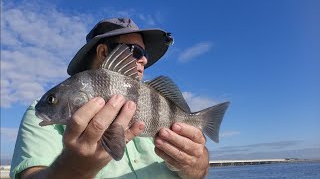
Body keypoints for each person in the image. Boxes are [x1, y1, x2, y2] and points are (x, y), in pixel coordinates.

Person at [10, 18, 209, 179]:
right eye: (135, 51)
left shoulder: (156, 100)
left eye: (145, 53)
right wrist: (74, 168)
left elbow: (200, 170)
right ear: (104, 52)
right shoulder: (42, 115)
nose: (144, 59)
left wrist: (196, 164)